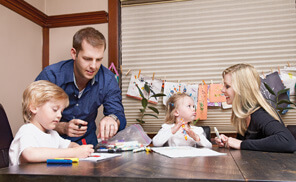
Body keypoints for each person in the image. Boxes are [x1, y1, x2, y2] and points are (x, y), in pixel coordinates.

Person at [35, 27, 126, 147]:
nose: (93, 66)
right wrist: (61, 127)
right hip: (51, 145)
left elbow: (119, 115)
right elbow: (33, 115)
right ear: (74, 53)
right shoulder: (51, 75)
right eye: (87, 59)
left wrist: (113, 119)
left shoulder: (108, 79)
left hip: (87, 145)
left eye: (98, 60)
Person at [215, 63, 296, 152]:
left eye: (227, 86)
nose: (222, 90)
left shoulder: (260, 114)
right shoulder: (244, 113)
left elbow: (288, 142)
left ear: (242, 89)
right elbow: (250, 146)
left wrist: (241, 144)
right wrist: (229, 142)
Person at [9, 80, 94, 166]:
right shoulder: (27, 131)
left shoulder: (52, 134)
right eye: (55, 110)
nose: (59, 115)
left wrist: (78, 149)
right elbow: (29, 154)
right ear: (34, 108)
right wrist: (73, 152)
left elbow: (70, 145)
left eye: (61, 111)